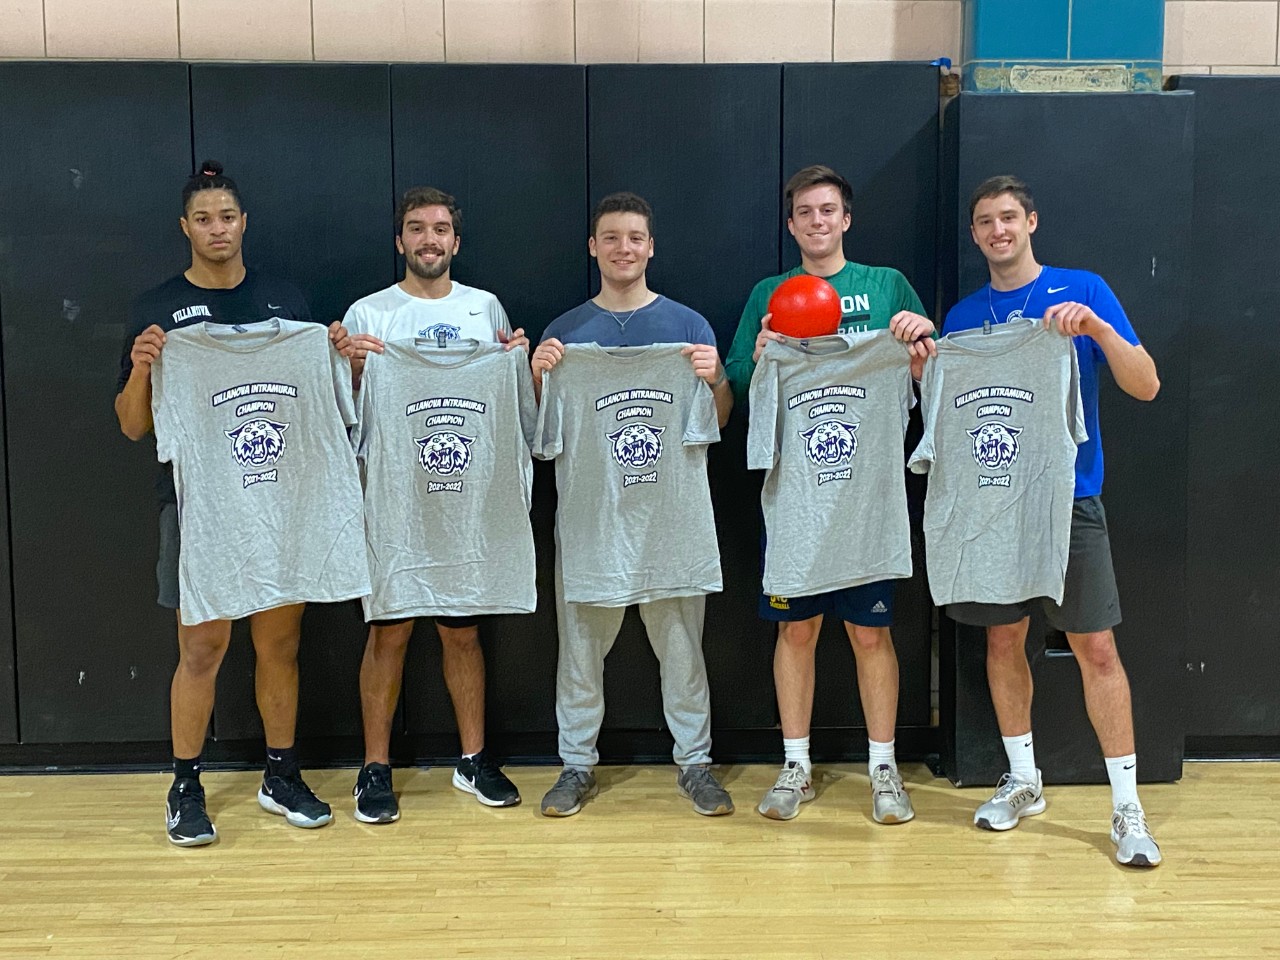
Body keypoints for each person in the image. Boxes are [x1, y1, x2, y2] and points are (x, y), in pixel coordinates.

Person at [115, 160, 354, 846]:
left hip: (284, 498)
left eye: (227, 216)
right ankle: (185, 785)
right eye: (203, 218)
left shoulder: (287, 301)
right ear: (184, 227)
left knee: (280, 641)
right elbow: (133, 425)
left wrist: (335, 355)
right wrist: (142, 367)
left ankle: (281, 775)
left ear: (243, 223)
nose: (216, 228)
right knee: (203, 646)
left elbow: (325, 406)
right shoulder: (155, 308)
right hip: (198, 504)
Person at [942, 175, 1162, 867]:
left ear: (1031, 221)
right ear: (975, 235)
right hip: (993, 505)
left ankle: (1127, 808)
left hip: (1071, 498)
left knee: (1096, 648)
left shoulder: (1083, 290)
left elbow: (1146, 383)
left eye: (1009, 217)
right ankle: (1023, 780)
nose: (997, 230)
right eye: (985, 222)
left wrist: (1094, 329)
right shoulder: (962, 318)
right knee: (1004, 641)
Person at [723, 164, 935, 823]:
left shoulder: (886, 285)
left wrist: (918, 345)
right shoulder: (769, 292)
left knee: (872, 636)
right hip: (795, 502)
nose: (818, 221)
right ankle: (796, 766)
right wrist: (760, 356)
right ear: (792, 225)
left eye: (828, 210)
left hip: (867, 501)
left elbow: (933, 379)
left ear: (846, 219)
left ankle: (883, 768)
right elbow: (737, 388)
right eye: (805, 212)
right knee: (797, 628)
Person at [531, 191, 734, 817]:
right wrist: (540, 379)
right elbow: (541, 437)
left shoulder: (688, 327)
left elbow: (718, 422)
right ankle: (575, 765)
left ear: (651, 247)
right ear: (594, 247)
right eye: (612, 237)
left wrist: (716, 377)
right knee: (580, 654)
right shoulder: (564, 334)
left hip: (671, 523)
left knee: (682, 650)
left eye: (636, 238)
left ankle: (695, 764)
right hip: (593, 524)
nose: (625, 248)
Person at [342, 187, 529, 822]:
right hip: (395, 497)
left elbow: (511, 402)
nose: (429, 239)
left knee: (462, 630)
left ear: (455, 241)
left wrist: (519, 365)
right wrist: (351, 367)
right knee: (387, 630)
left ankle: (473, 760)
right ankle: (374, 768)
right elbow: (345, 411)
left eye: (441, 229)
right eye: (417, 229)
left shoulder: (484, 309)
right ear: (400, 241)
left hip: (468, 500)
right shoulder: (369, 313)